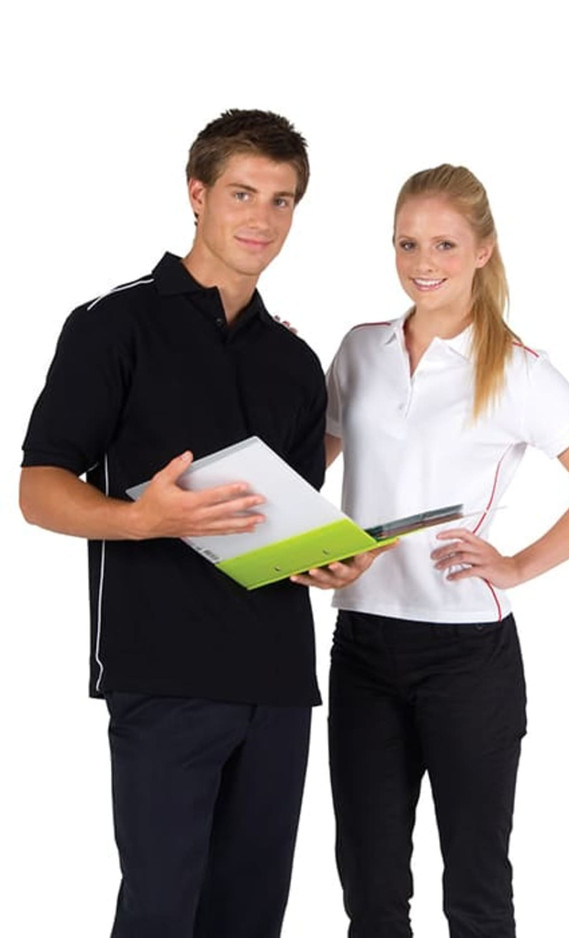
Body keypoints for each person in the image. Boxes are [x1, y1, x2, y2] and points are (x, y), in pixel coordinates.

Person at [18, 108, 373, 938]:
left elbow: (289, 519)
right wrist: (143, 520)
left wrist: (330, 560)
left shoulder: (293, 361)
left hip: (279, 683)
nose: (262, 219)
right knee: (160, 913)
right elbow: (38, 489)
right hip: (164, 674)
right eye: (244, 193)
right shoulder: (114, 324)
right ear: (197, 193)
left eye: (283, 200)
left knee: (250, 918)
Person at [291, 164, 569, 937]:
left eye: (445, 243)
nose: (424, 261)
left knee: (476, 893)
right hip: (363, 646)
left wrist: (515, 566)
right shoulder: (360, 349)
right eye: (407, 242)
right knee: (371, 893)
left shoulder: (516, 370)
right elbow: (308, 470)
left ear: (483, 250)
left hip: (468, 658)